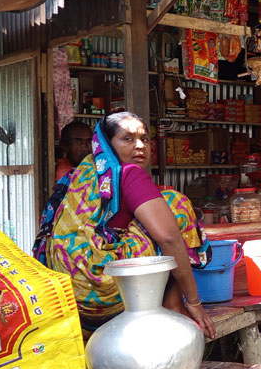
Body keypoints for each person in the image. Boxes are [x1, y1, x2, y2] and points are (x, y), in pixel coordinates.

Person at [33, 112, 215, 339]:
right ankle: (174, 305)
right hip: (108, 292)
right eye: (128, 139)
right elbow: (168, 238)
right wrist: (195, 302)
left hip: (72, 300)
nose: (140, 146)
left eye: (145, 139)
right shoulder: (128, 173)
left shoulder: (84, 172)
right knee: (175, 203)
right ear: (107, 143)